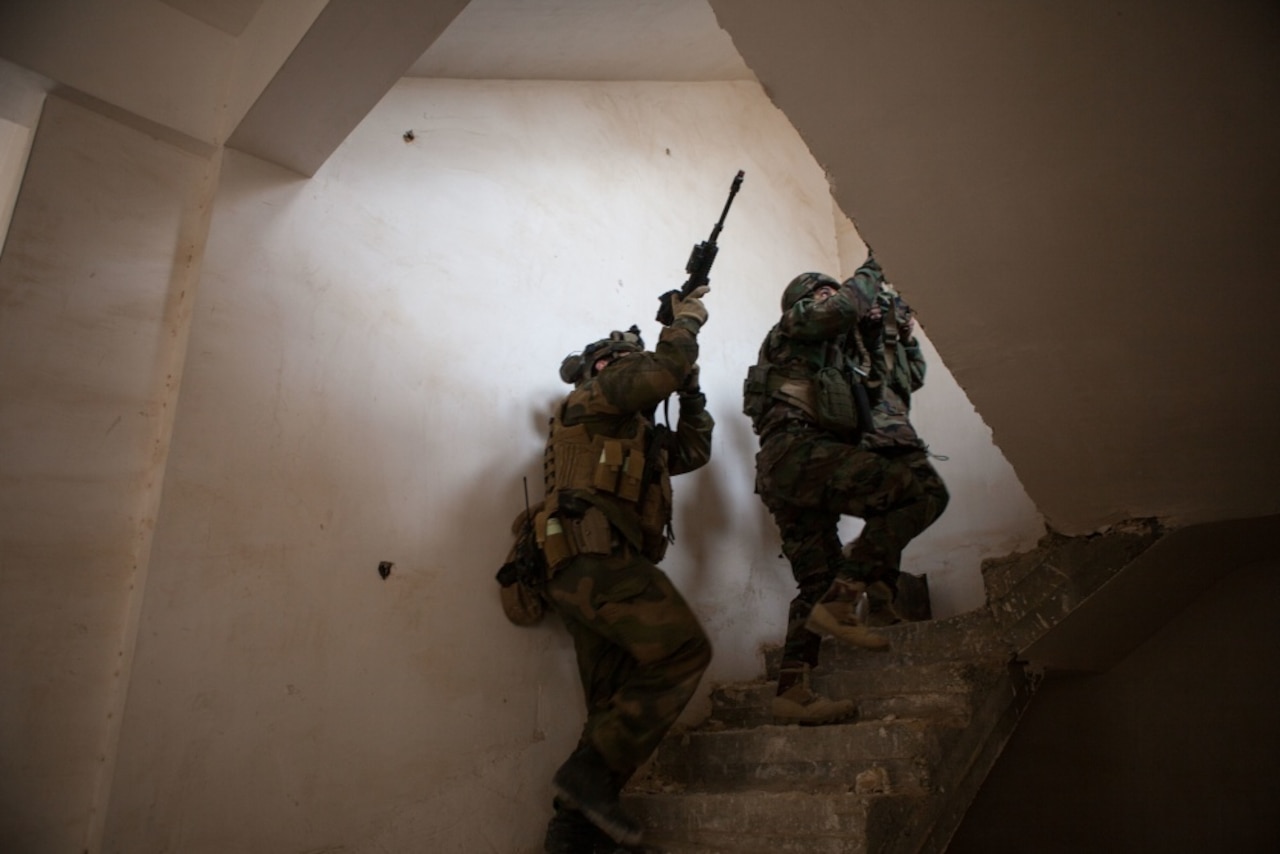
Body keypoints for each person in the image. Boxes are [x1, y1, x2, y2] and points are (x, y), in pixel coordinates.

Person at [536, 290, 715, 853]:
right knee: (685, 652)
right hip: (595, 556)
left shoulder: (625, 428)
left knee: (612, 703)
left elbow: (693, 451)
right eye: (626, 357)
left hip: (582, 567)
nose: (633, 365)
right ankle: (583, 783)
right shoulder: (601, 392)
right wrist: (685, 321)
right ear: (605, 365)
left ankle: (574, 832)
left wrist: (690, 392)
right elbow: (660, 370)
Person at [744, 253, 948, 727]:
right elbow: (839, 310)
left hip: (790, 473)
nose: (832, 299)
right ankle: (852, 595)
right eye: (822, 292)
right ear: (800, 303)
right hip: (797, 454)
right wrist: (873, 268)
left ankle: (792, 689)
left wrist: (879, 336)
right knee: (918, 492)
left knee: (815, 580)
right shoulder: (793, 327)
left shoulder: (834, 359)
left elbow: (889, 388)